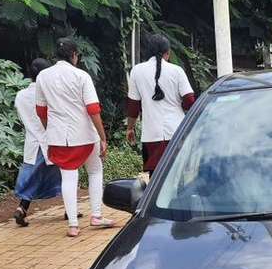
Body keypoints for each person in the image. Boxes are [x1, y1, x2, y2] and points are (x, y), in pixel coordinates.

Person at [34, 38, 117, 237]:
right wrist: (103, 137)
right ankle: (96, 216)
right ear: (74, 56)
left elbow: (40, 110)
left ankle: (73, 225)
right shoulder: (81, 76)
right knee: (95, 172)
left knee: (68, 178)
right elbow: (93, 109)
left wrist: (50, 129)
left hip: (58, 137)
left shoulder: (43, 77)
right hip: (86, 135)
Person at [125, 33, 196, 172]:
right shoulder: (177, 71)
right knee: (177, 175)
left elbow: (133, 106)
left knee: (156, 178)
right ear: (167, 53)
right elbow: (189, 101)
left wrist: (130, 128)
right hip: (177, 132)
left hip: (151, 135)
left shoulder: (137, 71)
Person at [12, 58, 61, 227]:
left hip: (32, 142)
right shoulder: (50, 94)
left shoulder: (20, 96)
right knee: (67, 174)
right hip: (52, 141)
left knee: (33, 177)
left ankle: (22, 208)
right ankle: (71, 210)